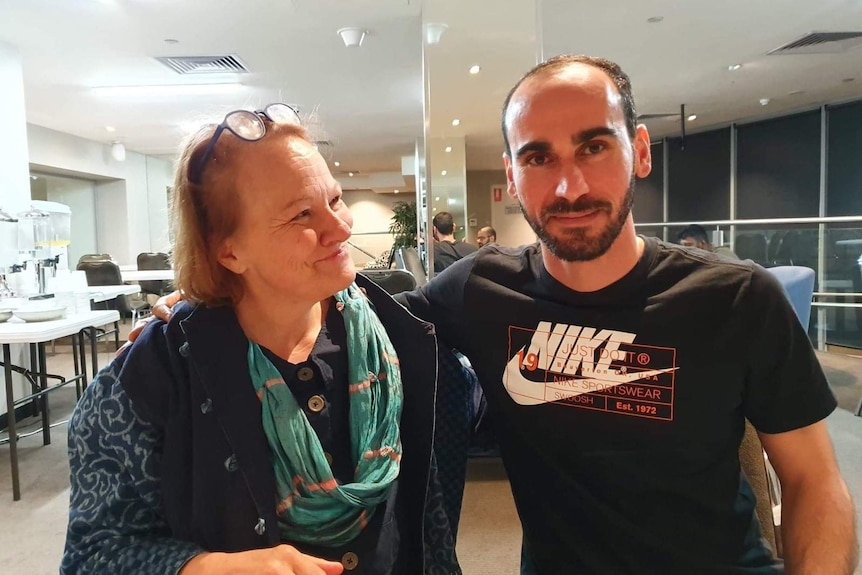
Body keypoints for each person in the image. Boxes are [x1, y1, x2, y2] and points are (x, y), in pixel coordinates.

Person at [140, 56, 857, 574]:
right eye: (539, 157)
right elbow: (344, 315)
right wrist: (208, 300)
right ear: (511, 179)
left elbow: (813, 483)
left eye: (594, 146)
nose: (569, 183)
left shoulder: (737, 297)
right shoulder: (478, 290)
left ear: (639, 151)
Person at [61, 104, 459, 575]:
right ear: (228, 251)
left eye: (333, 200)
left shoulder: (397, 335)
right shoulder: (151, 378)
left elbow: (427, 526)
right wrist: (208, 569)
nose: (341, 228)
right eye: (301, 215)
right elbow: (93, 554)